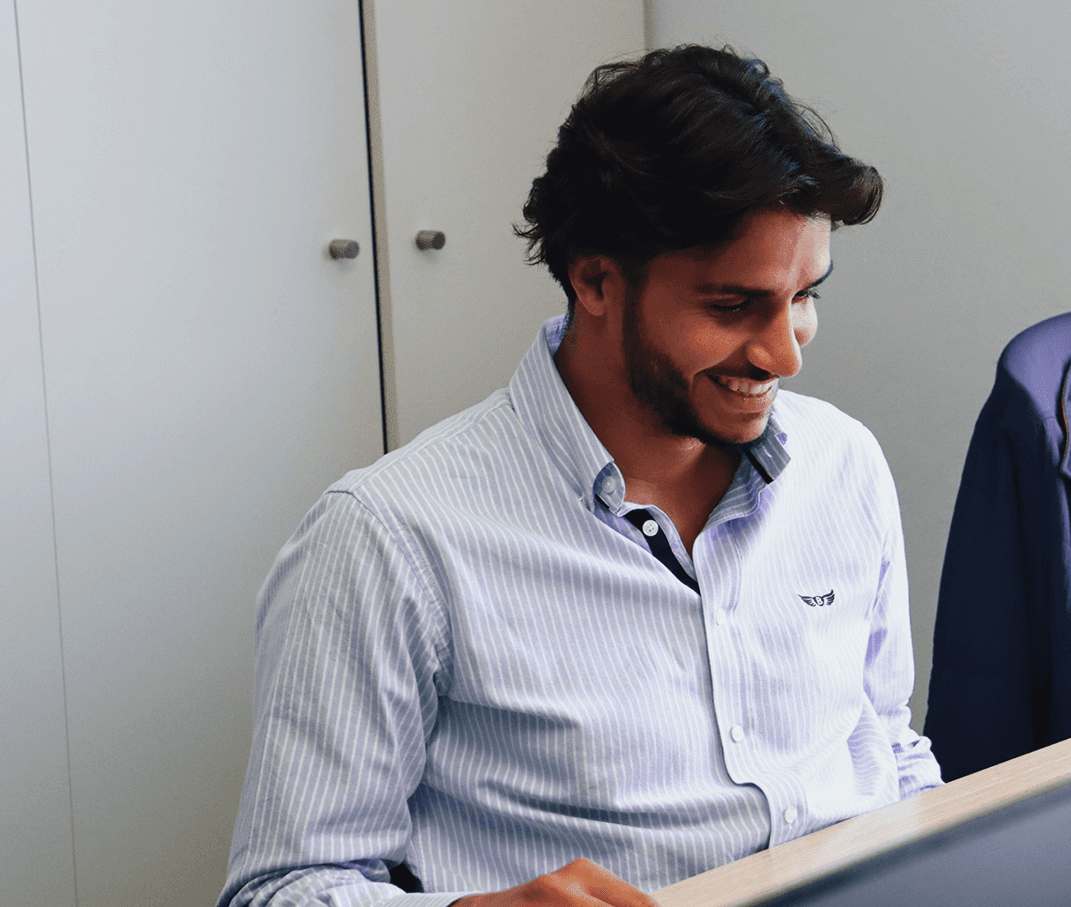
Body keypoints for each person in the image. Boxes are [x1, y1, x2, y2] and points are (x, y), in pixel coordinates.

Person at [218, 44, 941, 907]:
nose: (784, 351)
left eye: (805, 298)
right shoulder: (388, 536)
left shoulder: (843, 464)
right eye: (732, 305)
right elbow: (282, 889)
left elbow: (887, 748)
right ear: (596, 278)